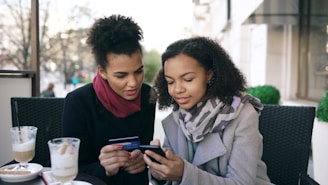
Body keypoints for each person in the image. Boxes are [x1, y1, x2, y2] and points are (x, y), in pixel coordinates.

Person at [143, 36, 273, 185]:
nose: (177, 89)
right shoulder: (177, 118)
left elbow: (241, 183)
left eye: (188, 79)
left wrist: (184, 174)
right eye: (170, 82)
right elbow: (171, 177)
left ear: (209, 75)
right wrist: (160, 172)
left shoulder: (243, 114)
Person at [62, 14, 156, 185]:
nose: (133, 83)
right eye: (121, 75)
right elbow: (68, 168)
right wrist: (103, 168)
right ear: (102, 71)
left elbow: (144, 151)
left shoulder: (148, 96)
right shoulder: (78, 102)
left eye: (138, 71)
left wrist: (144, 161)